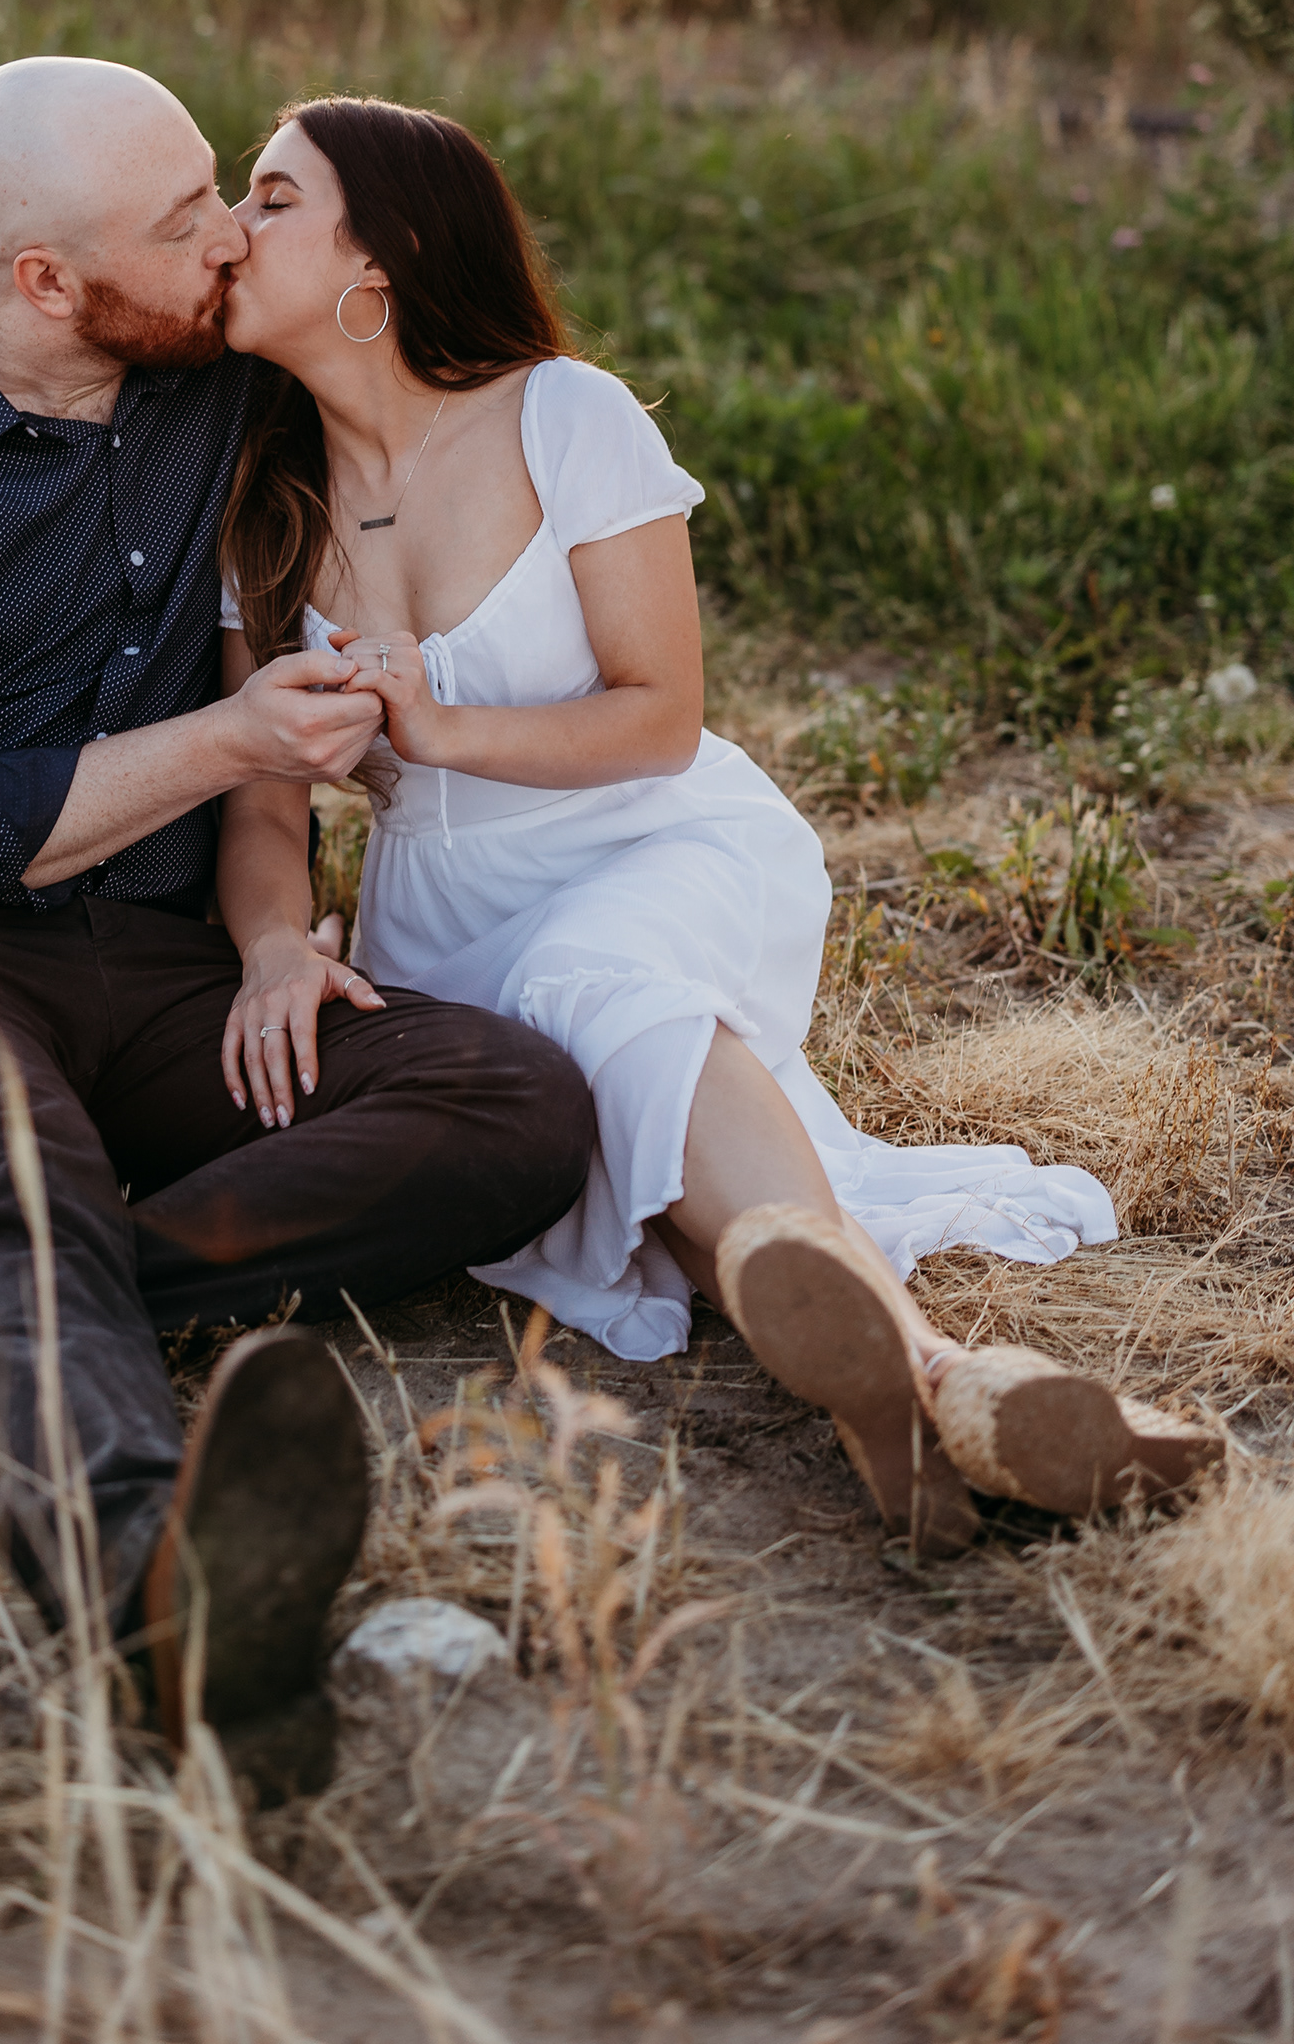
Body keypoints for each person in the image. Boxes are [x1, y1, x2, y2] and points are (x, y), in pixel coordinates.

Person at [0, 57, 594, 1780]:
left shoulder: (216, 393)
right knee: (2, 1188)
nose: (222, 242)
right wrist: (226, 738)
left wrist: (278, 934)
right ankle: (158, 1595)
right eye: (183, 218)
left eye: (222, 190)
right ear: (45, 280)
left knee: (514, 1105)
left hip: (167, 967)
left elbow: (426, 385)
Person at [215, 96, 1224, 1552]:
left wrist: (444, 728)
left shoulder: (565, 415)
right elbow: (259, 801)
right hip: (441, 914)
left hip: (644, 837)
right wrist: (267, 948)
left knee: (608, 997)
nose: (233, 231)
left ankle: (924, 1360)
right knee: (641, 1140)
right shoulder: (259, 504)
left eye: (270, 198)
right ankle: (940, 1398)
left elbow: (657, 712)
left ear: (384, 257)